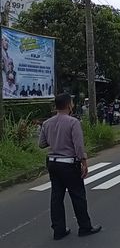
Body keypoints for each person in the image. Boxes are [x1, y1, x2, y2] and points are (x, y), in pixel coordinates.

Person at [38, 93, 101, 240]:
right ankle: (85, 227)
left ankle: (58, 230)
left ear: (56, 106)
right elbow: (78, 146)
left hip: (53, 163)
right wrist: (84, 162)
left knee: (56, 197)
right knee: (78, 195)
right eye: (72, 103)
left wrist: (55, 139)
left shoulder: (47, 123)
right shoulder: (73, 122)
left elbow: (41, 144)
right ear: (69, 105)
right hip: (68, 164)